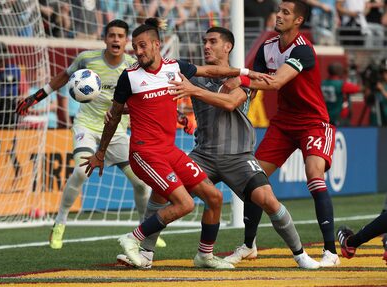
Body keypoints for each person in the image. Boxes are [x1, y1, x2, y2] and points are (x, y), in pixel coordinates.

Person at [115, 26, 320, 270]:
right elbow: (154, 93)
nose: (206, 46)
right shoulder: (191, 74)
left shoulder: (244, 79)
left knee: (267, 199)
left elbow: (231, 103)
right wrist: (128, 109)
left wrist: (194, 90)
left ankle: (300, 255)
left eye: (212, 41)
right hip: (204, 154)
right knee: (162, 193)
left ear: (228, 47)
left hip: (238, 156)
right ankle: (147, 252)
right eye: (204, 41)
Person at [81, 18, 269, 269]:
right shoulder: (129, 77)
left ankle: (204, 255)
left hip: (170, 150)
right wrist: (100, 153)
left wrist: (244, 73)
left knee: (213, 197)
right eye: (135, 47)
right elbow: (114, 115)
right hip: (144, 153)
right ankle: (132, 239)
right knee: (186, 203)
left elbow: (210, 71)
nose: (138, 52)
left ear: (157, 45)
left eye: (143, 46)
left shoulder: (174, 67)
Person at [16, 20, 154, 249]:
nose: (116, 40)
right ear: (105, 39)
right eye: (112, 35)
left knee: (141, 183)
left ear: (126, 41)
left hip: (117, 131)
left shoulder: (133, 65)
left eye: (120, 36)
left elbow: (145, 96)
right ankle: (59, 223)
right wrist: (36, 97)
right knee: (80, 172)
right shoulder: (86, 59)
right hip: (87, 127)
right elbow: (63, 76)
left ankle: (145, 230)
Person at [222, 0, 340, 267]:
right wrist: (232, 96)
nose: (279, 15)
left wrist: (238, 78)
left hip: (313, 122)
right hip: (284, 123)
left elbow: (273, 82)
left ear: (298, 20)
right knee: (255, 179)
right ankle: (249, 246)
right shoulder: (266, 47)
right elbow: (254, 83)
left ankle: (330, 251)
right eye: (279, 10)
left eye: (286, 12)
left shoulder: (303, 50)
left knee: (314, 175)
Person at [321, 62, 361, 126]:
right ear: (339, 72)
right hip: (338, 116)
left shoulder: (322, 83)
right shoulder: (341, 84)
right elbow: (357, 88)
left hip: (325, 115)